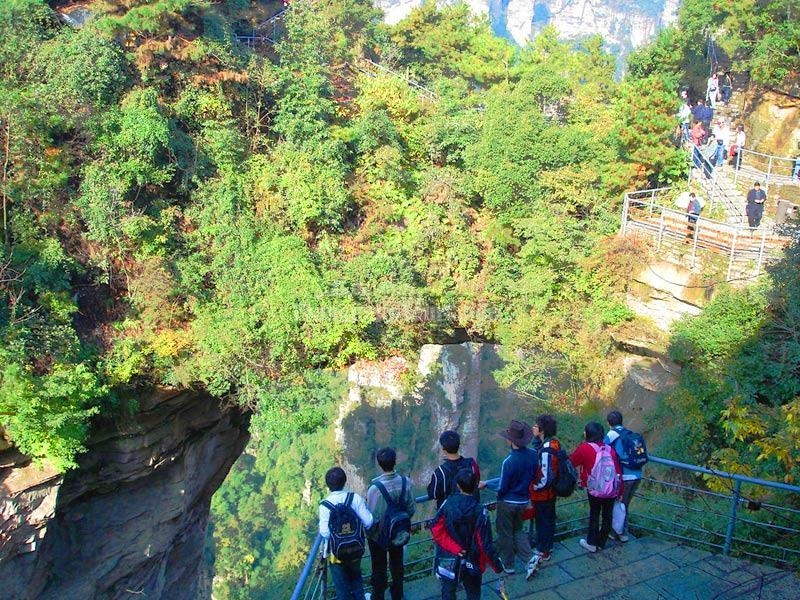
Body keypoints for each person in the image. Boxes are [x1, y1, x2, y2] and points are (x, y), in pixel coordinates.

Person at [431, 468, 505, 600]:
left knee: (448, 591)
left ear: (458, 486)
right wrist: (497, 566)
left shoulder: (448, 504)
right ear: (476, 486)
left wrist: (455, 549)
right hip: (473, 560)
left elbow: (436, 529)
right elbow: (484, 543)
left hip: (449, 558)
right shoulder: (480, 511)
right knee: (473, 593)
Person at [480, 420, 538, 580]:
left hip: (507, 503)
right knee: (518, 530)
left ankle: (509, 565)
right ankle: (530, 558)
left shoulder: (509, 462)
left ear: (511, 441)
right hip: (523, 501)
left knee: (505, 533)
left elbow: (503, 487)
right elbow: (533, 476)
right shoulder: (533, 455)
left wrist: (486, 485)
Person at [366, 447, 415, 600]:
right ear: (395, 462)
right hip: (399, 531)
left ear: (379, 464)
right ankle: (397, 595)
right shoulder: (406, 482)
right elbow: (411, 509)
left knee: (379, 567)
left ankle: (378, 596)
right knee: (397, 564)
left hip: (379, 537)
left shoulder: (374, 489)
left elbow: (371, 517)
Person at [319, 467, 374, 600]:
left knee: (341, 587)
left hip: (336, 554)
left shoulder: (325, 505)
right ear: (345, 482)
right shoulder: (354, 498)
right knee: (356, 578)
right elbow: (368, 521)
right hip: (355, 550)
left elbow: (325, 533)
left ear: (328, 485)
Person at [569, 422, 623, 553]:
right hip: (611, 490)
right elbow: (618, 471)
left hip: (595, 490)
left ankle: (591, 543)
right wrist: (620, 491)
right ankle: (601, 543)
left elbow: (571, 461)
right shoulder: (610, 449)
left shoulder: (585, 448)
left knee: (594, 514)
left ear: (587, 434)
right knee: (607, 515)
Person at [604, 412, 645, 542]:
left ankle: (620, 534)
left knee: (620, 505)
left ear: (608, 423)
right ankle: (620, 532)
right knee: (624, 505)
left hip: (625, 477)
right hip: (637, 474)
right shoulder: (629, 433)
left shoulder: (612, 434)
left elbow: (601, 448)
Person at [528, 415, 560, 570]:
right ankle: (547, 546)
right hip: (549, 493)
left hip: (544, 494)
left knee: (544, 521)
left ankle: (544, 551)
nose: (533, 427)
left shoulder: (547, 450)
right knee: (547, 520)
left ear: (542, 429)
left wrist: (535, 487)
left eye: (536, 425)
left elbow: (546, 477)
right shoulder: (552, 443)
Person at [427, 430, 480, 509]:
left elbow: (433, 494)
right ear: (459, 445)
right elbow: (476, 481)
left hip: (450, 515)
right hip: (471, 509)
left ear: (443, 449)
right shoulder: (471, 464)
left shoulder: (440, 472)